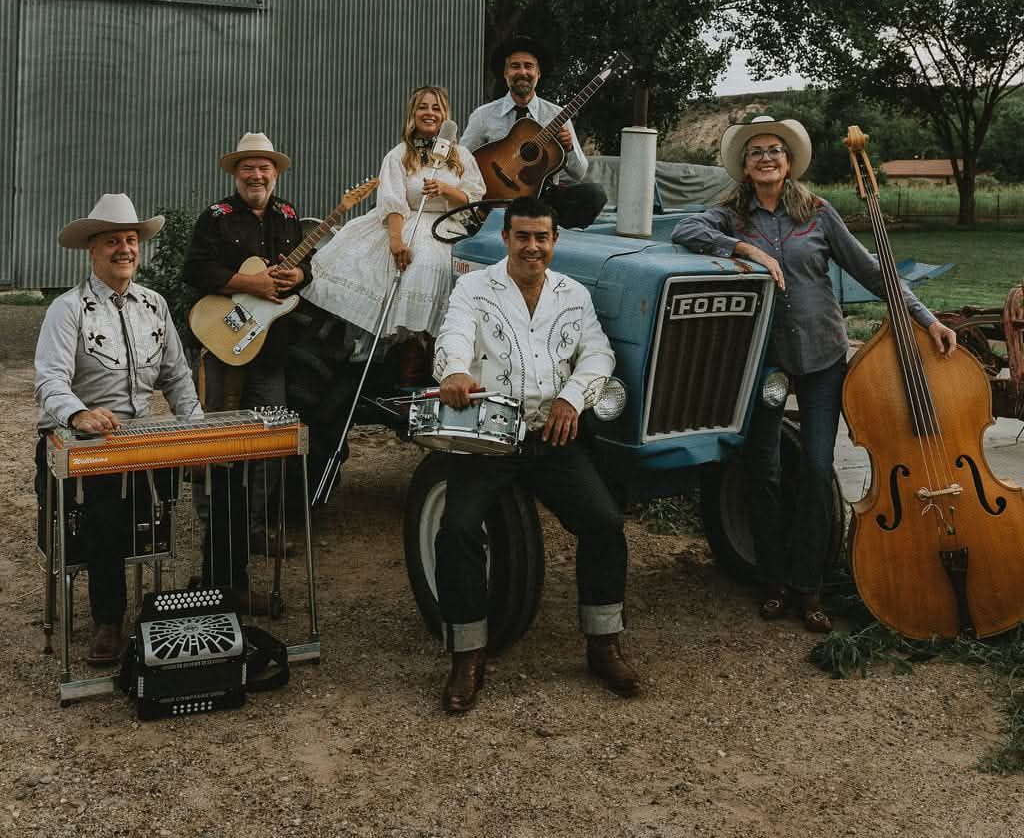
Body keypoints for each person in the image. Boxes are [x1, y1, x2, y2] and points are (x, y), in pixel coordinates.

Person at [671, 115, 958, 633]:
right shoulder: (730, 215)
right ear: (744, 164)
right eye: (755, 151)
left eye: (774, 150)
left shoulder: (818, 214)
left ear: (788, 162)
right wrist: (745, 248)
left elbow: (874, 270)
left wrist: (927, 318)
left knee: (816, 467)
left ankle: (809, 586)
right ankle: (773, 579)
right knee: (764, 469)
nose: (765, 157)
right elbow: (683, 229)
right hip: (766, 362)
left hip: (824, 357)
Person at [431, 195, 639, 713]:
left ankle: (602, 643)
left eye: (541, 237)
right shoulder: (474, 287)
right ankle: (467, 655)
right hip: (489, 433)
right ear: (505, 239)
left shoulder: (573, 293)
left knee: (604, 521)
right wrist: (454, 370)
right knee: (457, 529)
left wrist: (573, 397)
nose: (532, 247)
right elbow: (452, 334)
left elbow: (598, 352)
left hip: (551, 434)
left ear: (554, 240)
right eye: (522, 236)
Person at [34, 193, 202, 667]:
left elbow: (176, 376)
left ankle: (199, 600)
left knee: (196, 486)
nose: (125, 248)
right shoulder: (68, 309)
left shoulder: (155, 305)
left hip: (139, 442)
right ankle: (109, 618)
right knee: (107, 509)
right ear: (93, 249)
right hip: (82, 444)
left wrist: (197, 430)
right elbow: (49, 379)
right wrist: (78, 414)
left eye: (131, 239)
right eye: (113, 241)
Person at [182, 132, 309, 592]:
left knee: (270, 441)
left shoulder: (289, 215)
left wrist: (299, 274)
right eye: (248, 169)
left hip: (270, 350)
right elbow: (195, 271)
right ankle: (214, 535)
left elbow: (297, 275)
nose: (256, 176)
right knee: (215, 440)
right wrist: (248, 284)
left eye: (264, 169)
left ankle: (253, 529)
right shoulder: (215, 217)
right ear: (236, 174)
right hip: (222, 342)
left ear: (275, 174)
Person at [302, 86, 485, 384]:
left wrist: (447, 190)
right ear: (413, 114)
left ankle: (445, 358)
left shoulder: (460, 155)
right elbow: (393, 201)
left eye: (436, 108)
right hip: (409, 221)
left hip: (449, 225)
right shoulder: (400, 154)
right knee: (422, 264)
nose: (429, 113)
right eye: (422, 107)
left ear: (445, 114)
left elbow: (475, 196)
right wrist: (397, 241)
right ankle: (410, 361)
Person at [460, 34, 607, 229]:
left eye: (529, 66)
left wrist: (569, 148)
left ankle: (549, 237)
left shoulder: (558, 115)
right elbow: (459, 162)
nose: (522, 72)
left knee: (594, 194)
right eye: (515, 66)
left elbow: (579, 173)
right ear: (505, 73)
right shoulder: (483, 115)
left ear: (538, 74)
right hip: (491, 204)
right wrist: (472, 201)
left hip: (541, 200)